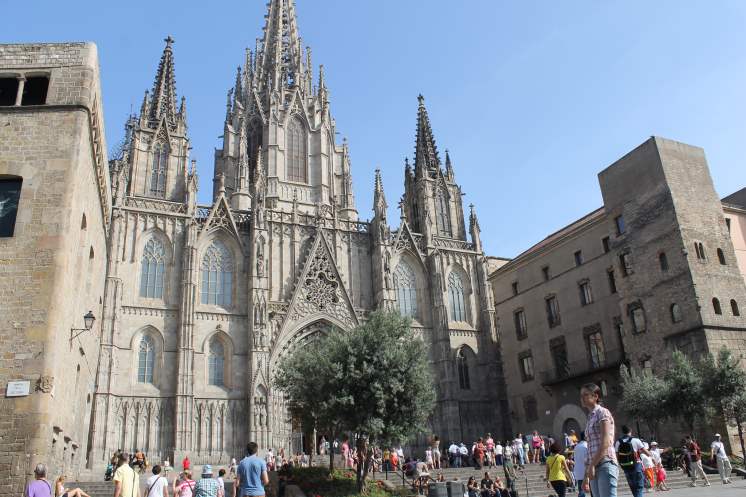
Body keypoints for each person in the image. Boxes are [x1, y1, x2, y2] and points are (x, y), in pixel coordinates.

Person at [580, 383, 618, 497]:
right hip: (594, 466)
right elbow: (590, 449)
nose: (582, 398)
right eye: (581, 395)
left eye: (585, 395)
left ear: (595, 396)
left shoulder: (602, 412)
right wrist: (586, 474)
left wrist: (591, 466)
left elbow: (606, 442)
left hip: (605, 463)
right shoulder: (590, 417)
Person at [614, 425, 649, 497]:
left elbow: (617, 457)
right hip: (636, 466)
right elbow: (648, 454)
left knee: (633, 488)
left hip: (625, 467)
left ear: (622, 432)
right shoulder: (636, 440)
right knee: (639, 487)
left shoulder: (618, 442)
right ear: (630, 431)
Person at [572, 432, 588, 497]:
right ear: (585, 437)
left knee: (581, 490)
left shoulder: (576, 447)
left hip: (578, 471)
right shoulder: (586, 446)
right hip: (586, 471)